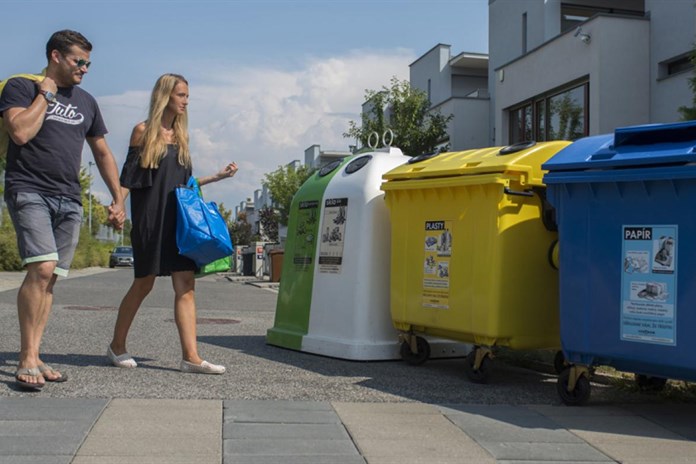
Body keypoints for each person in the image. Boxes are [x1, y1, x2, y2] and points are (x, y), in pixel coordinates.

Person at [0, 30, 125, 390]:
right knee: (41, 268)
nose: (85, 69)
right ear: (56, 56)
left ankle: (36, 355)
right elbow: (20, 133)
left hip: (69, 197)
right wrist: (46, 94)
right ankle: (26, 358)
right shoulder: (22, 88)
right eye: (78, 61)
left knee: (50, 278)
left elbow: (102, 152)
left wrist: (118, 198)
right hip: (29, 190)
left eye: (88, 63)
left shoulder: (87, 101)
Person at [107, 73, 238, 374]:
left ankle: (190, 357)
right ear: (165, 96)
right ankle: (116, 346)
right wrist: (118, 205)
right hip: (151, 220)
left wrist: (217, 177)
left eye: (187, 96)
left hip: (179, 221)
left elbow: (183, 183)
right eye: (181, 95)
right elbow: (128, 180)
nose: (186, 101)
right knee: (144, 283)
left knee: (186, 285)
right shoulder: (142, 132)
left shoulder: (182, 137)